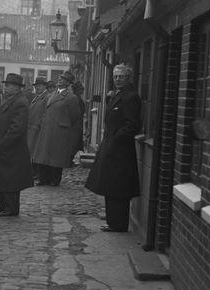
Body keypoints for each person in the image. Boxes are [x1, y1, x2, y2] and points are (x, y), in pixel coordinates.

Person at [85, 64, 141, 232]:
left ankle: (118, 224)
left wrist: (116, 140)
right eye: (115, 77)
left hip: (121, 151)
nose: (117, 79)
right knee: (110, 186)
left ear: (128, 78)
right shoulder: (117, 94)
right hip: (112, 148)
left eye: (121, 77)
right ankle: (112, 222)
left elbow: (132, 125)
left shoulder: (131, 97)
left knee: (119, 188)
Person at [0, 73, 33, 216]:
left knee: (11, 179)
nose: (5, 88)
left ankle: (11, 208)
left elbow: (17, 128)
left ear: (17, 88)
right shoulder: (11, 100)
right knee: (3, 177)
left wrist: (4, 142)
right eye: (5, 85)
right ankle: (3, 204)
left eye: (8, 85)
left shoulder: (20, 102)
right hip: (4, 147)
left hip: (12, 148)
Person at [32, 70, 81, 186]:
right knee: (45, 154)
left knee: (56, 157)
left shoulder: (71, 97)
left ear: (68, 83)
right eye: (60, 78)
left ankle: (54, 179)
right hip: (47, 128)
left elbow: (74, 116)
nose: (60, 80)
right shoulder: (52, 94)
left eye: (63, 79)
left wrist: (63, 123)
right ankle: (44, 179)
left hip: (60, 130)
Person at [27, 76, 49, 178]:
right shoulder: (37, 97)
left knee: (37, 152)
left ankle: (36, 173)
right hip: (32, 129)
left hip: (38, 129)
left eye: (40, 85)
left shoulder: (46, 97)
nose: (37, 87)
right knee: (32, 151)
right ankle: (32, 172)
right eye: (36, 86)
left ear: (45, 86)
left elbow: (46, 113)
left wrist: (40, 124)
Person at [70, 81, 86, 166]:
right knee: (73, 143)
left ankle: (70, 159)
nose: (82, 91)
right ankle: (69, 160)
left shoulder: (77, 98)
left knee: (75, 143)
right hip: (74, 125)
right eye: (81, 89)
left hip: (78, 124)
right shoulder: (75, 99)